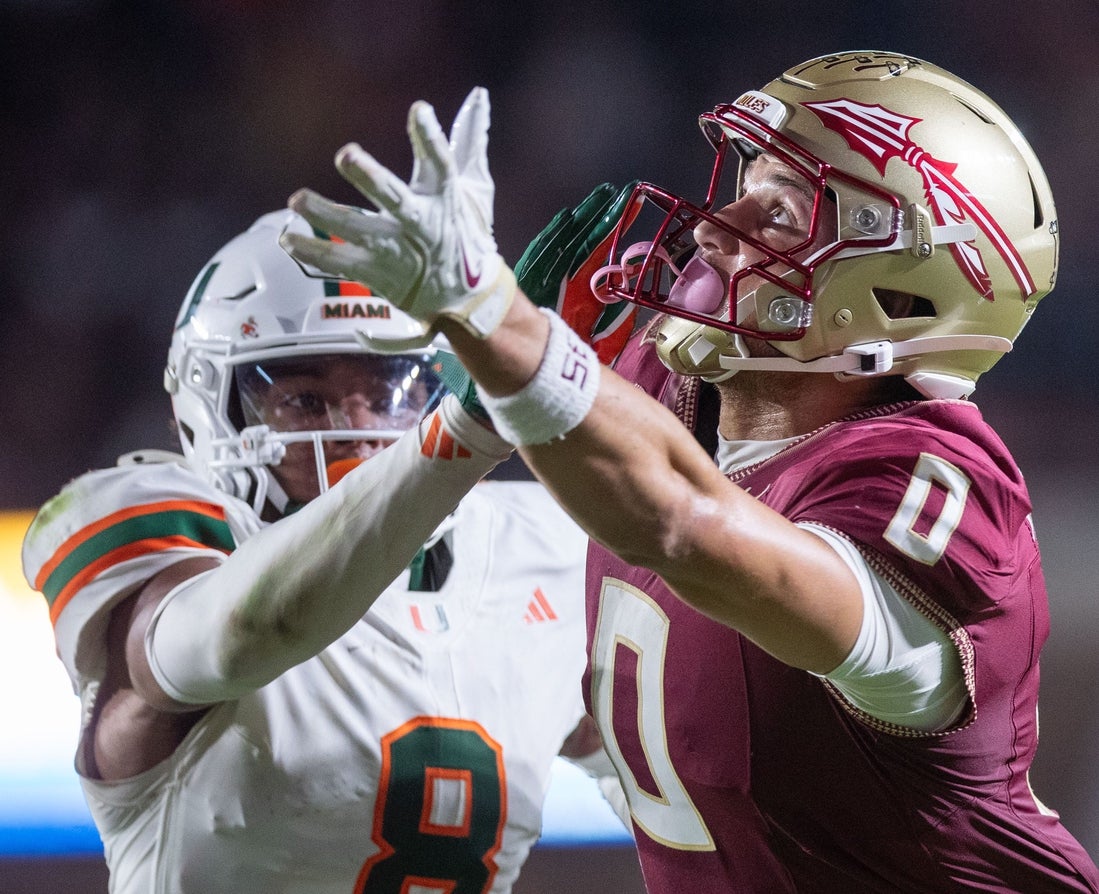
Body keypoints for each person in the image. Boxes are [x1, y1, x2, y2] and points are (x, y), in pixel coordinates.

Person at [281, 52, 1099, 892]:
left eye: (779, 212)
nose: (715, 227)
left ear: (896, 296)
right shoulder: (670, 388)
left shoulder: (930, 492)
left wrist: (495, 324)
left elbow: (681, 527)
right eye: (743, 185)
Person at [21, 205, 603, 893]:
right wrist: (468, 432)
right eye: (302, 399)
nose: (357, 429)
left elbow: (675, 780)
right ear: (207, 408)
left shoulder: (541, 545)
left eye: (392, 391)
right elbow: (242, 636)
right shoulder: (156, 523)